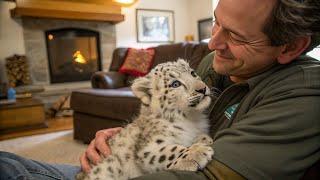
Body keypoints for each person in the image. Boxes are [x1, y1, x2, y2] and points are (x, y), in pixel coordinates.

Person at [1, 0, 319, 179]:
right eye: (216, 22)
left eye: (236, 36)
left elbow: (204, 175)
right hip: (125, 170)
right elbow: (165, 117)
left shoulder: (305, 96)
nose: (213, 43)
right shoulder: (216, 63)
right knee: (8, 163)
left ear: (291, 47)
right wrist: (123, 138)